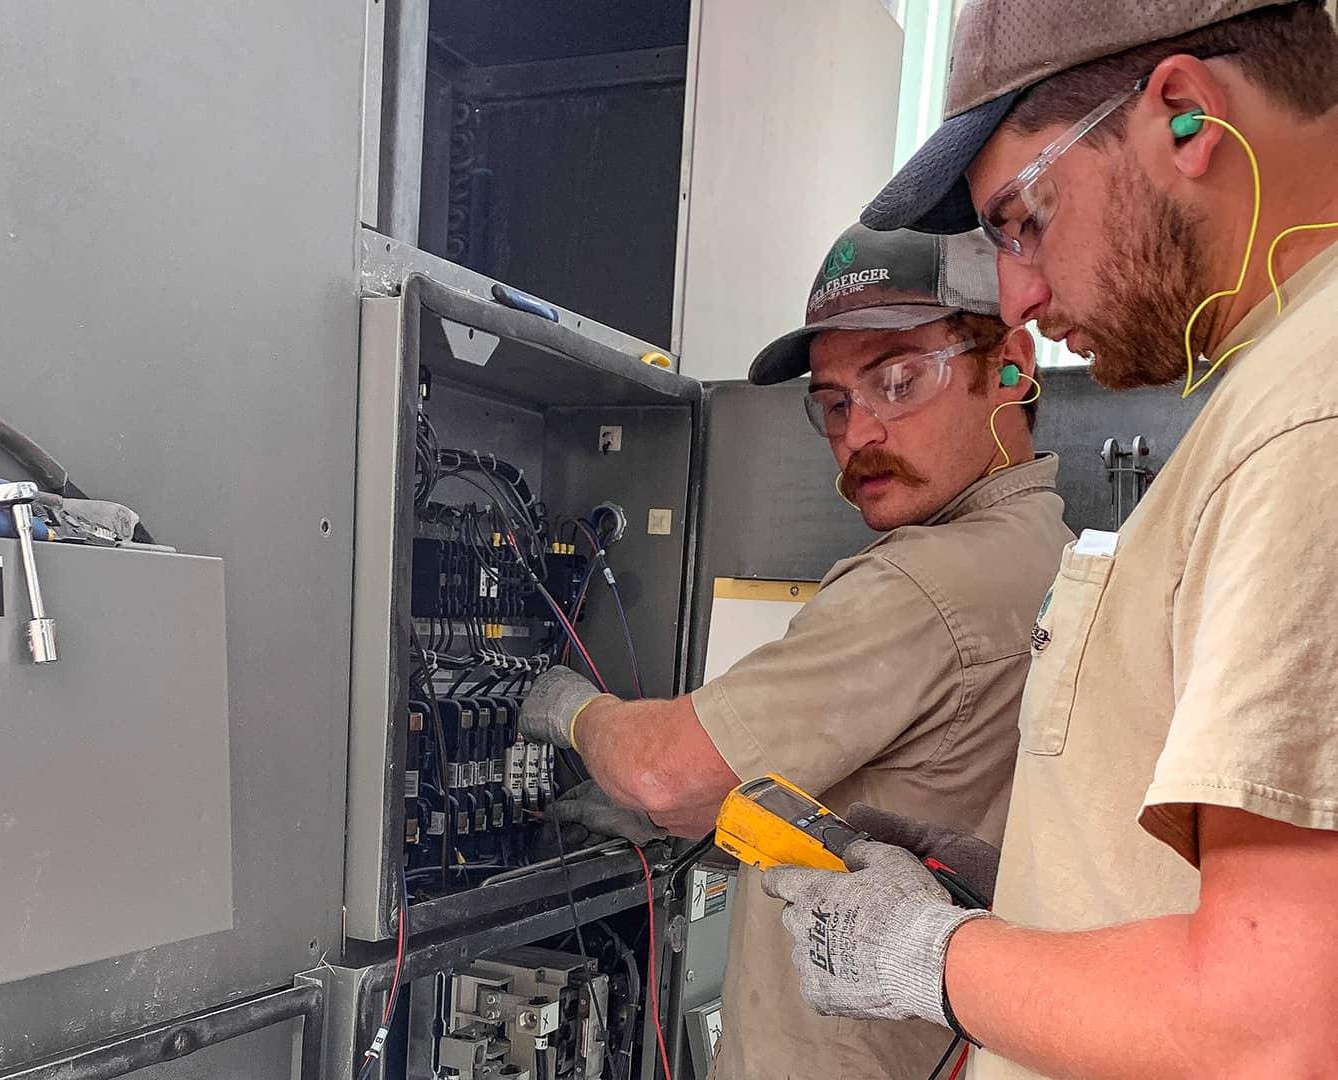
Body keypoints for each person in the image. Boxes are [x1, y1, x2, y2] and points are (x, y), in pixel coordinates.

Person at [761, 3, 1338, 1077]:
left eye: (1024, 217)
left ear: (1182, 115)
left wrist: (929, 958)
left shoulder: (1310, 419)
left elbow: (1275, 1029)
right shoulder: (1274, 388)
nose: (1019, 292)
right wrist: (1027, 894)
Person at [520, 222, 1071, 1078]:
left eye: (897, 379)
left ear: (1012, 364)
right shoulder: (1045, 546)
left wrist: (566, 708)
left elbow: (663, 770)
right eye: (836, 402)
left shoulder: (922, 586)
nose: (858, 433)